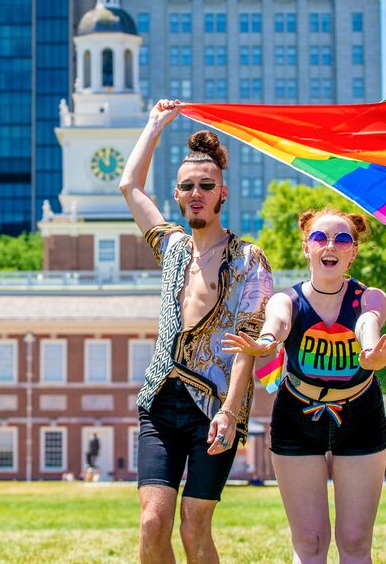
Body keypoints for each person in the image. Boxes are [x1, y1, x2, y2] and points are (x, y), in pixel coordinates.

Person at [120, 99, 274, 564]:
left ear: (223, 193)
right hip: (160, 403)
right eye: (188, 187)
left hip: (215, 407)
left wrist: (230, 412)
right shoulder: (170, 247)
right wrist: (154, 124)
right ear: (178, 195)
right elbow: (129, 184)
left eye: (207, 186)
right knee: (152, 523)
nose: (197, 193)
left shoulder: (249, 259)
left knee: (194, 527)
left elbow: (248, 344)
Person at [224, 207, 386, 563]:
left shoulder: (370, 297)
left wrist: (370, 354)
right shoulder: (286, 300)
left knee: (354, 542)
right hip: (297, 419)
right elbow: (277, 323)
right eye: (320, 238)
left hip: (361, 415)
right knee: (309, 541)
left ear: (353, 251)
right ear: (307, 247)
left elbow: (368, 322)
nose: (330, 245)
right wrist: (266, 343)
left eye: (342, 239)